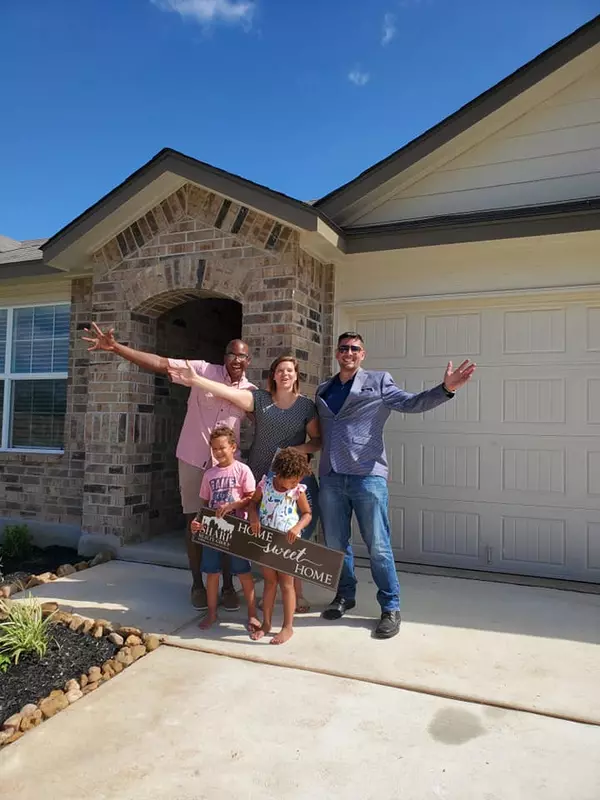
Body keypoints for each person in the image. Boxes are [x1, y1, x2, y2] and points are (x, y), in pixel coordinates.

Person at [82, 321, 257, 612]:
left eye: (243, 356)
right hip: (193, 458)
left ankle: (227, 586)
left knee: (228, 526)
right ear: (223, 356)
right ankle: (197, 585)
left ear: (248, 361)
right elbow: (161, 364)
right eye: (232, 354)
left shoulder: (250, 391)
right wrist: (116, 348)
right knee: (194, 523)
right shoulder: (201, 370)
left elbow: (270, 420)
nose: (237, 360)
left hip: (227, 468)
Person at [317, 331, 476, 640]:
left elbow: (411, 403)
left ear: (363, 354)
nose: (348, 352)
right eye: (343, 348)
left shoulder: (378, 381)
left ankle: (390, 607)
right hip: (332, 476)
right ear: (337, 354)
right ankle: (344, 595)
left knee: (378, 545)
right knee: (335, 544)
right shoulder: (323, 388)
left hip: (368, 476)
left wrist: (446, 389)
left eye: (355, 348)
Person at [167, 353, 321, 613]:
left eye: (290, 371)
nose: (285, 374)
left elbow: (317, 441)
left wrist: (296, 449)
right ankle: (269, 591)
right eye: (280, 370)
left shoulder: (306, 406)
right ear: (273, 375)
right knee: (263, 536)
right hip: (261, 478)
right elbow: (226, 393)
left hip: (292, 481)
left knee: (295, 537)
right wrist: (197, 380)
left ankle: (298, 593)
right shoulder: (260, 400)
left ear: (296, 376)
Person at [190, 426, 259, 632]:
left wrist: (232, 506)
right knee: (212, 573)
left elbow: (252, 499)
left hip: (237, 530)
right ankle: (212, 613)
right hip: (214, 531)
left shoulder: (242, 470)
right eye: (214, 449)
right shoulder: (209, 474)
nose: (218, 452)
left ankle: (253, 615)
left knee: (244, 573)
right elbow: (204, 504)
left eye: (222, 447)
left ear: (233, 447)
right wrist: (197, 522)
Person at [247, 448, 312, 645]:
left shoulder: (297, 490)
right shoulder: (265, 484)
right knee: (269, 582)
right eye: (291, 480)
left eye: (297, 480)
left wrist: (297, 527)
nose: (294, 483)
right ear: (279, 474)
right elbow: (252, 504)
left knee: (287, 584)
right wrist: (254, 518)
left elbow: (307, 514)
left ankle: (287, 627)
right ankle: (266, 624)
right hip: (267, 541)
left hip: (287, 543)